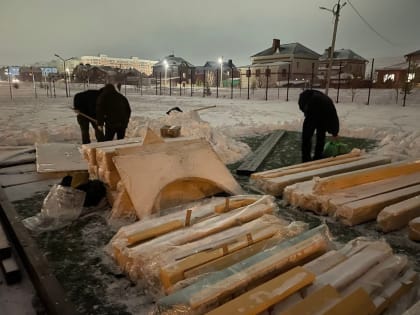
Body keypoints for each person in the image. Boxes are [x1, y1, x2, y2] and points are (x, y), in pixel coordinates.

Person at [298, 89, 339, 162]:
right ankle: (318, 156)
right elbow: (334, 118)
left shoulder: (312, 101)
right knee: (321, 134)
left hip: (316, 108)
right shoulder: (326, 101)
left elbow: (333, 118)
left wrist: (335, 132)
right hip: (320, 111)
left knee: (306, 136)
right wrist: (335, 132)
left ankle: (306, 159)